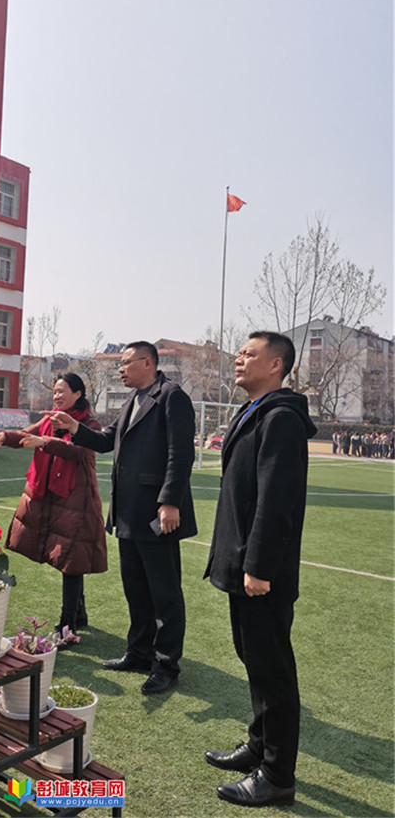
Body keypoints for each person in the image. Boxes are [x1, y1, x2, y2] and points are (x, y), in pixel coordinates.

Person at [203, 331, 316, 808]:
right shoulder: (255, 411)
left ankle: (276, 776)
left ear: (276, 365)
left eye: (249, 354)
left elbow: (275, 501)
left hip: (261, 573)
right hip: (242, 563)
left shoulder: (282, 419)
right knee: (254, 661)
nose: (238, 359)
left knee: (273, 673)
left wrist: (259, 566)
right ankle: (258, 747)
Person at [49, 342, 196, 696]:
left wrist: (170, 501)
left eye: (126, 362)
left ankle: (166, 664)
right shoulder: (132, 399)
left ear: (148, 363)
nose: (120, 369)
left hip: (156, 512)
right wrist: (74, 427)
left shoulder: (171, 396)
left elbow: (180, 453)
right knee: (136, 588)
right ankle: (139, 652)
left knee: (164, 593)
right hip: (128, 512)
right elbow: (105, 441)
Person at [0, 373, 107, 636]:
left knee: (70, 557)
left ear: (78, 393)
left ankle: (68, 622)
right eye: (54, 391)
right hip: (51, 495)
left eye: (61, 391)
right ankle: (79, 615)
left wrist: (44, 442)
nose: (56, 396)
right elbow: (26, 435)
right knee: (68, 557)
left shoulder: (90, 423)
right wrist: (5, 436)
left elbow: (78, 451)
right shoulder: (49, 419)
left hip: (77, 497)